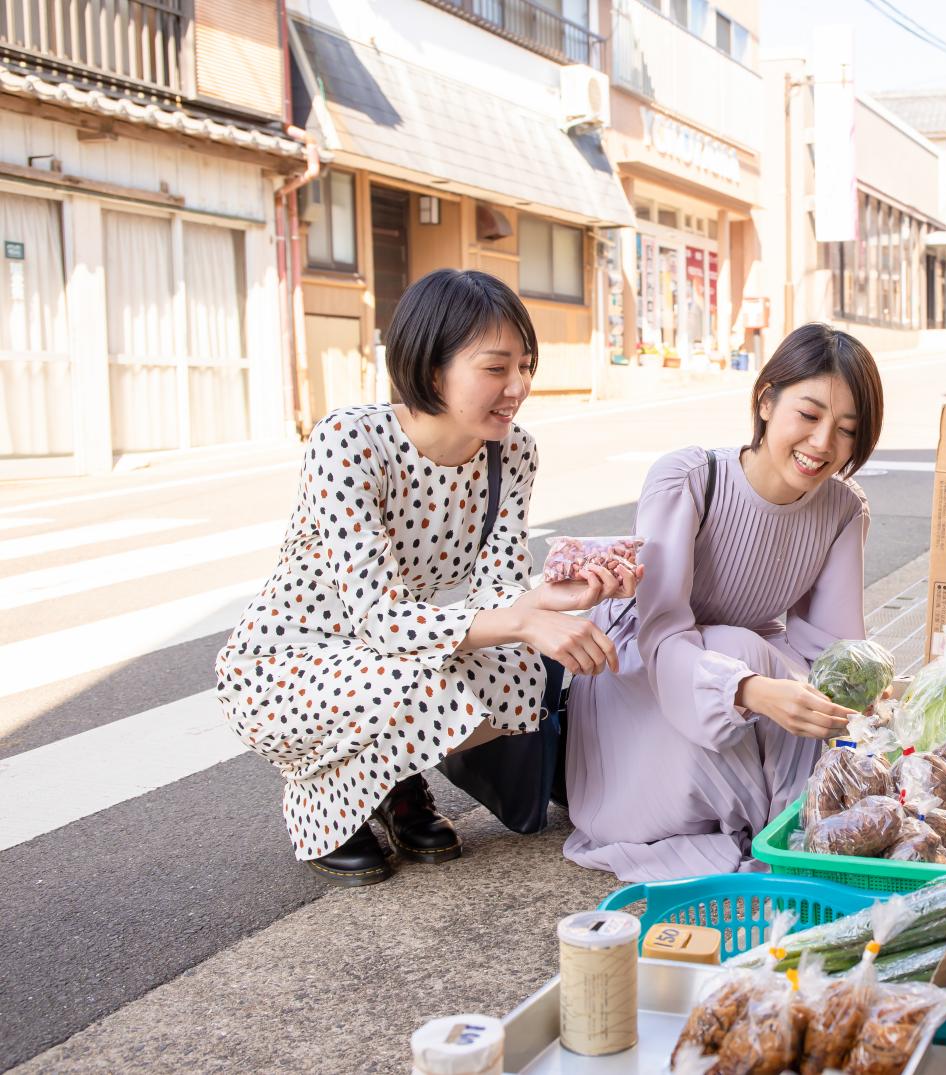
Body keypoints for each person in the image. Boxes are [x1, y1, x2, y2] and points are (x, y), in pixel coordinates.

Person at [215, 269, 638, 887]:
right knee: (428, 687)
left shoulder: (510, 451)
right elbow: (380, 617)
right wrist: (522, 619)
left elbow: (496, 588)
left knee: (522, 669)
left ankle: (389, 780)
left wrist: (545, 600)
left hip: (399, 651)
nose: (517, 386)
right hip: (291, 666)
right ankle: (340, 802)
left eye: (525, 366)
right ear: (430, 364)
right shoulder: (350, 440)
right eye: (495, 368)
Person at [563, 323, 885, 881]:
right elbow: (660, 630)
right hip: (648, 666)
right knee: (748, 652)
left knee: (803, 692)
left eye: (846, 430)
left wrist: (859, 702)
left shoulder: (843, 508)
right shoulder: (689, 478)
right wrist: (749, 689)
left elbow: (830, 652)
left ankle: (797, 831)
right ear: (765, 401)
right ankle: (770, 825)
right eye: (808, 416)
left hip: (744, 663)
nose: (822, 444)